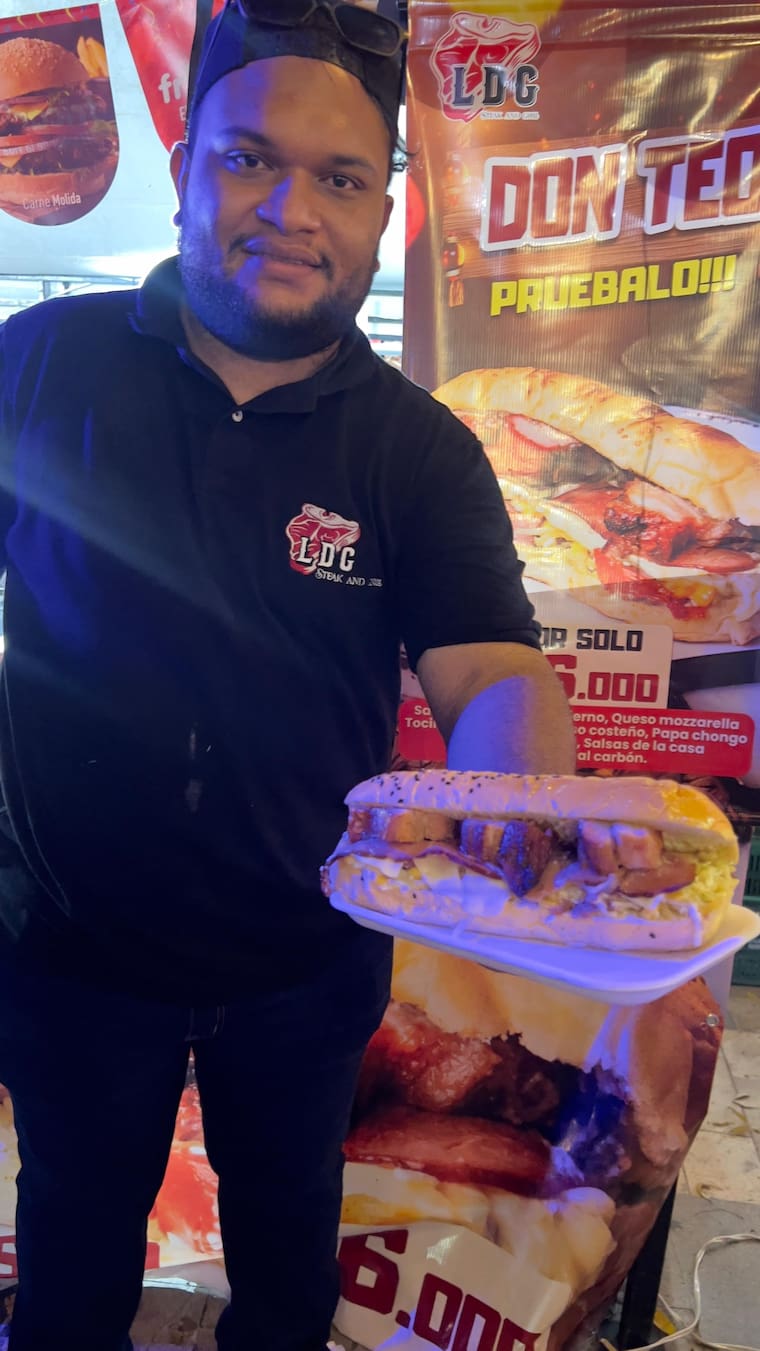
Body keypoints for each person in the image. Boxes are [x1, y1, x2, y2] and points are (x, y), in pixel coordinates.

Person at [0, 2, 575, 1348]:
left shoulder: (417, 450)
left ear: (384, 212)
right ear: (187, 166)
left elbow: (492, 663)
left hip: (307, 960)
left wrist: (518, 799)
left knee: (288, 1256)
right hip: (71, 947)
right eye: (250, 158)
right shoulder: (40, 365)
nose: (290, 210)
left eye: (340, 177)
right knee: (71, 1261)